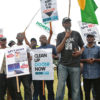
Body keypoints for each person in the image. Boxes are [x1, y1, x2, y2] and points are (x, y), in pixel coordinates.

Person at [56, 17, 84, 100]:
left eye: (69, 22)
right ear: (63, 25)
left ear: (71, 24)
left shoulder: (76, 33)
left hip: (75, 65)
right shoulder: (60, 35)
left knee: (76, 89)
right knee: (60, 87)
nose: (67, 23)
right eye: (65, 22)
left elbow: (82, 46)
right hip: (63, 65)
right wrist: (65, 38)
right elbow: (57, 50)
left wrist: (80, 52)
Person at [37, 34, 57, 100]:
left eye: (45, 37)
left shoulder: (52, 47)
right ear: (39, 40)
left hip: (49, 71)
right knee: (41, 89)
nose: (44, 38)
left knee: (50, 88)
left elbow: (58, 56)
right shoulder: (37, 49)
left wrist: (53, 56)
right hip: (40, 71)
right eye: (42, 38)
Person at [81, 34, 100, 100]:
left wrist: (95, 60)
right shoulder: (83, 49)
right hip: (86, 75)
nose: (89, 38)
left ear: (94, 39)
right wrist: (86, 60)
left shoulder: (98, 48)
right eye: (88, 37)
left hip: (96, 75)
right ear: (86, 39)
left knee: (98, 93)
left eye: (91, 37)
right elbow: (79, 59)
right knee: (86, 93)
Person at [16, 33, 32, 100]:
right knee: (17, 88)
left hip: (25, 71)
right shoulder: (13, 47)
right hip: (16, 71)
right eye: (19, 36)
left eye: (22, 36)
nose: (21, 37)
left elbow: (29, 57)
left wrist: (27, 65)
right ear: (16, 37)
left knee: (27, 87)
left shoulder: (26, 47)